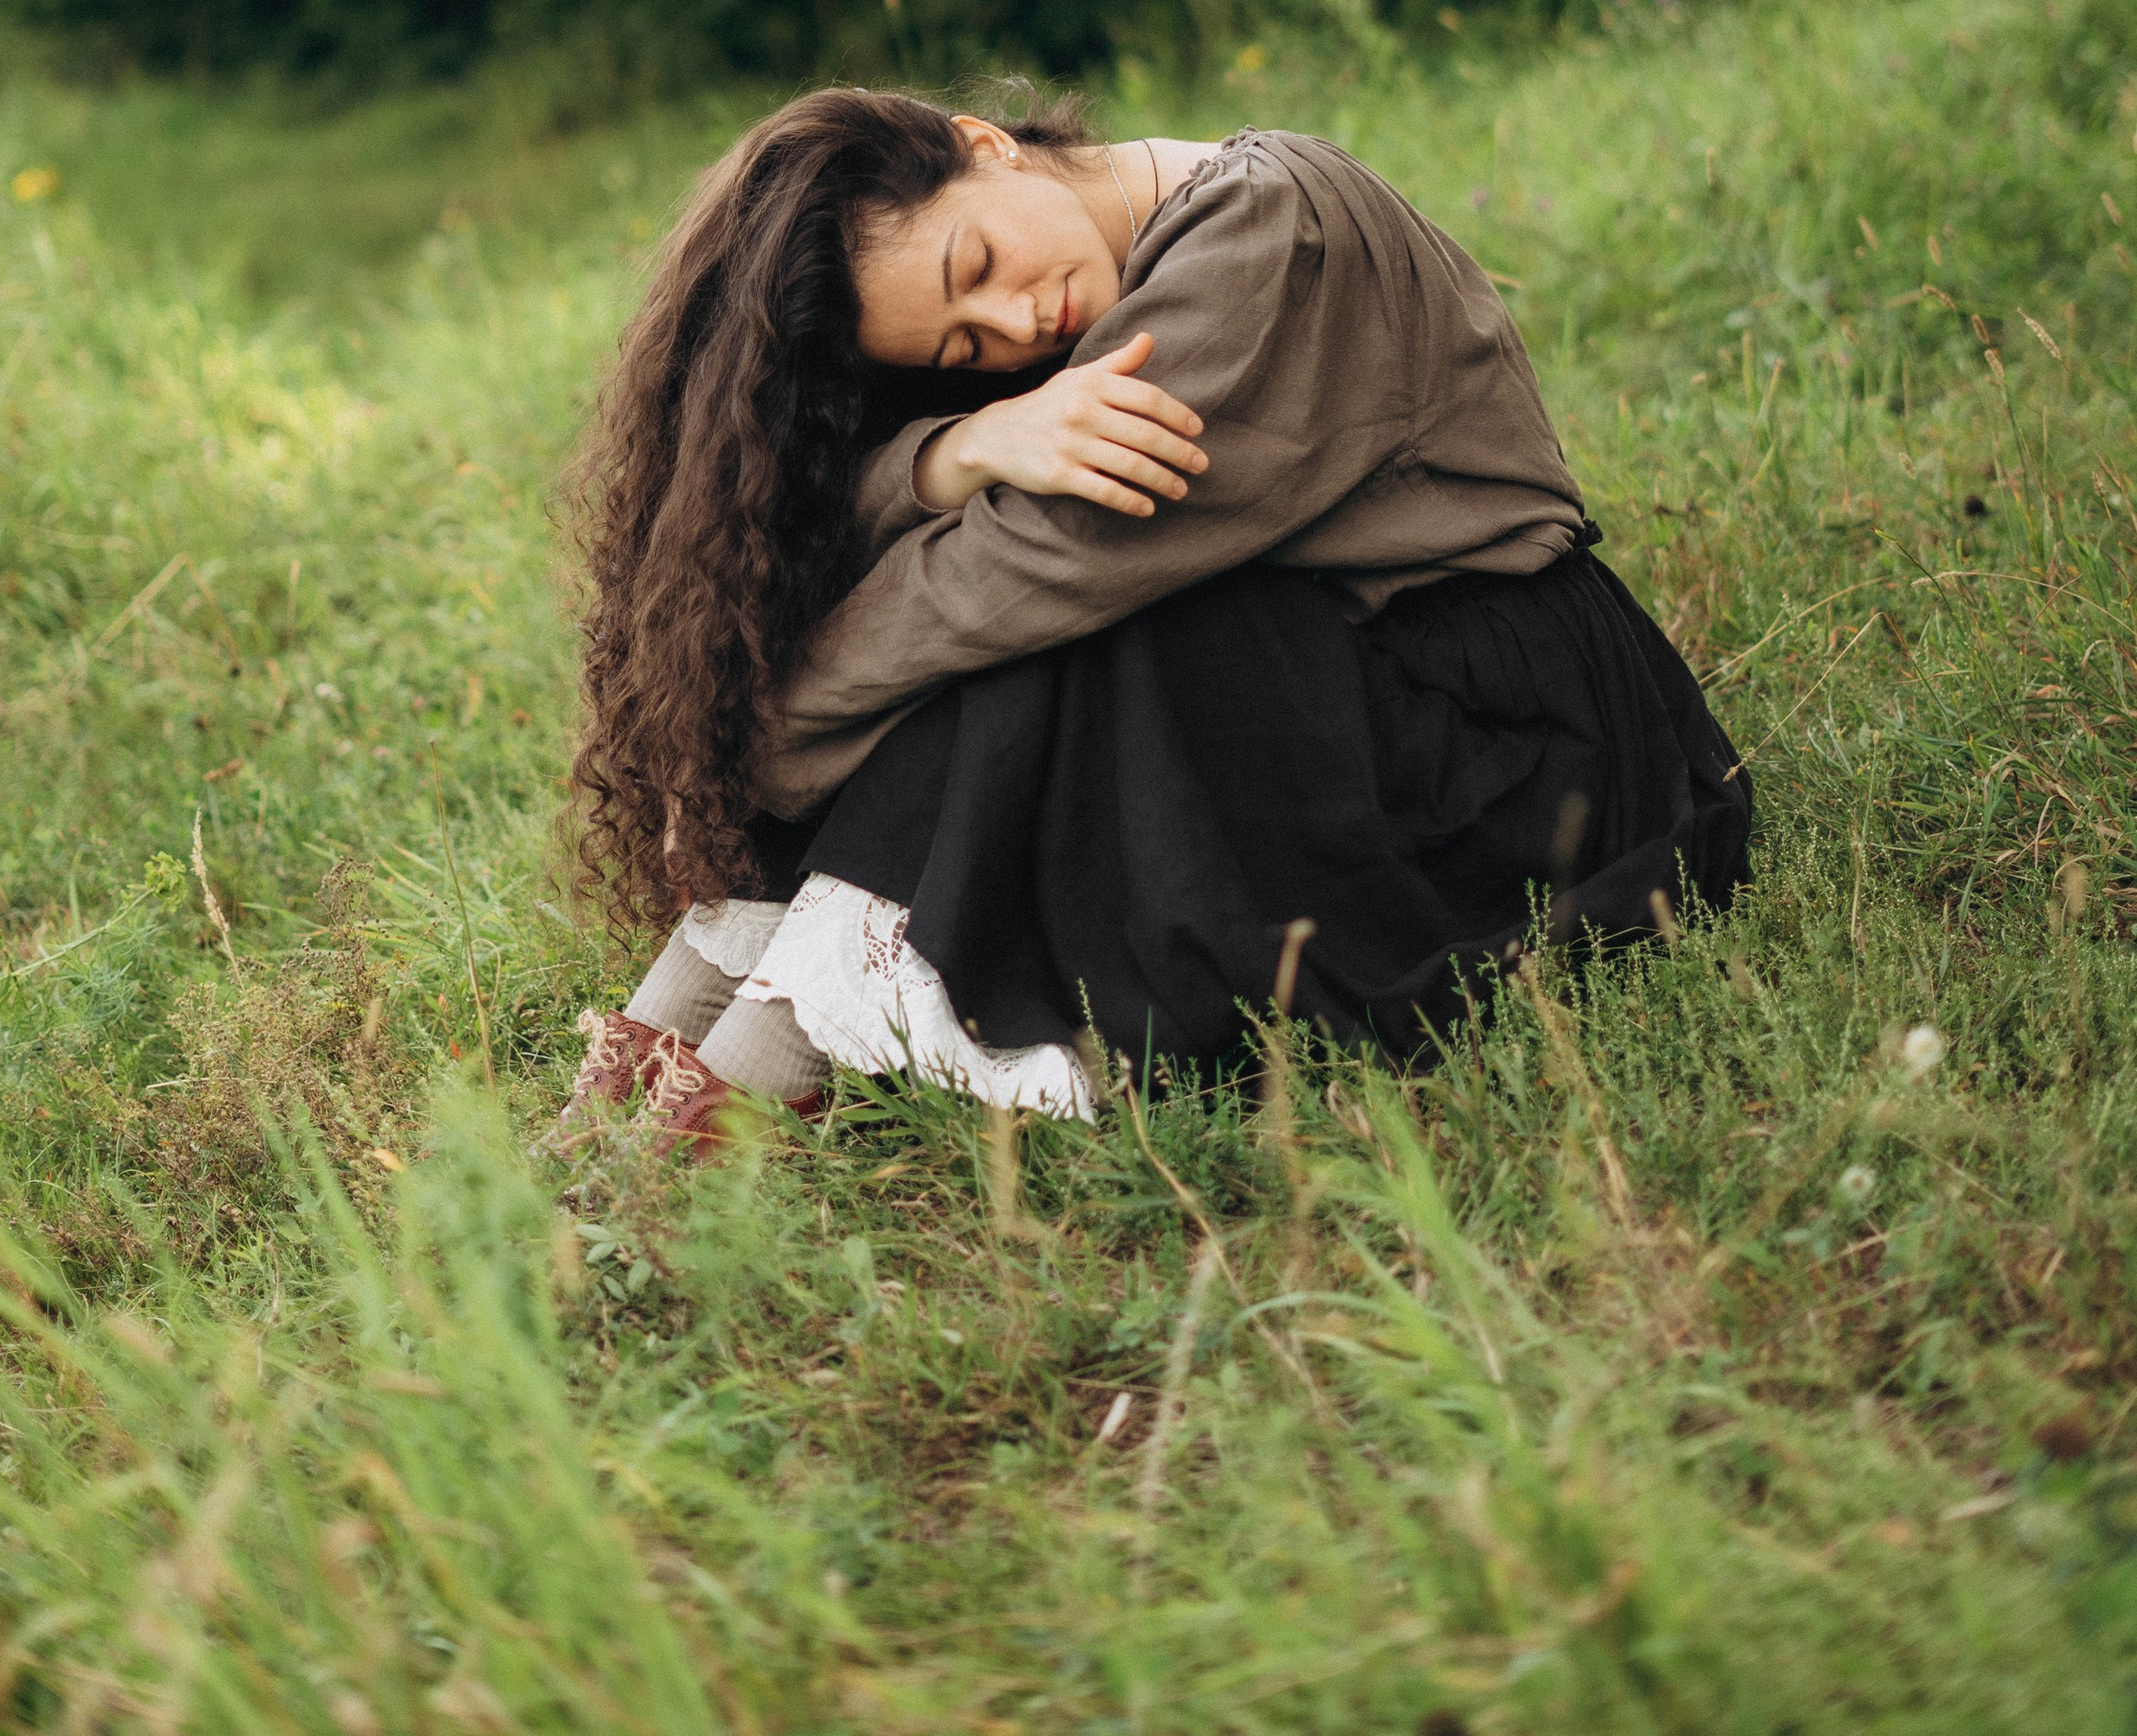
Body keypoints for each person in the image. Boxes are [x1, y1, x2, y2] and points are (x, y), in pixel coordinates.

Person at [559, 92, 1750, 1150]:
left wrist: (760, 734)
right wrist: (952, 452)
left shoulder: (1268, 226)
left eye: (977, 264)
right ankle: (665, 1074)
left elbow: (1039, 567)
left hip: (1513, 738)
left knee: (1051, 630)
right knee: (1044, 621)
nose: (1015, 326)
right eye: (966, 342)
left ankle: (743, 1087)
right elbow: (850, 518)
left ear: (987, 146)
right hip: (1326, 696)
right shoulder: (1075, 298)